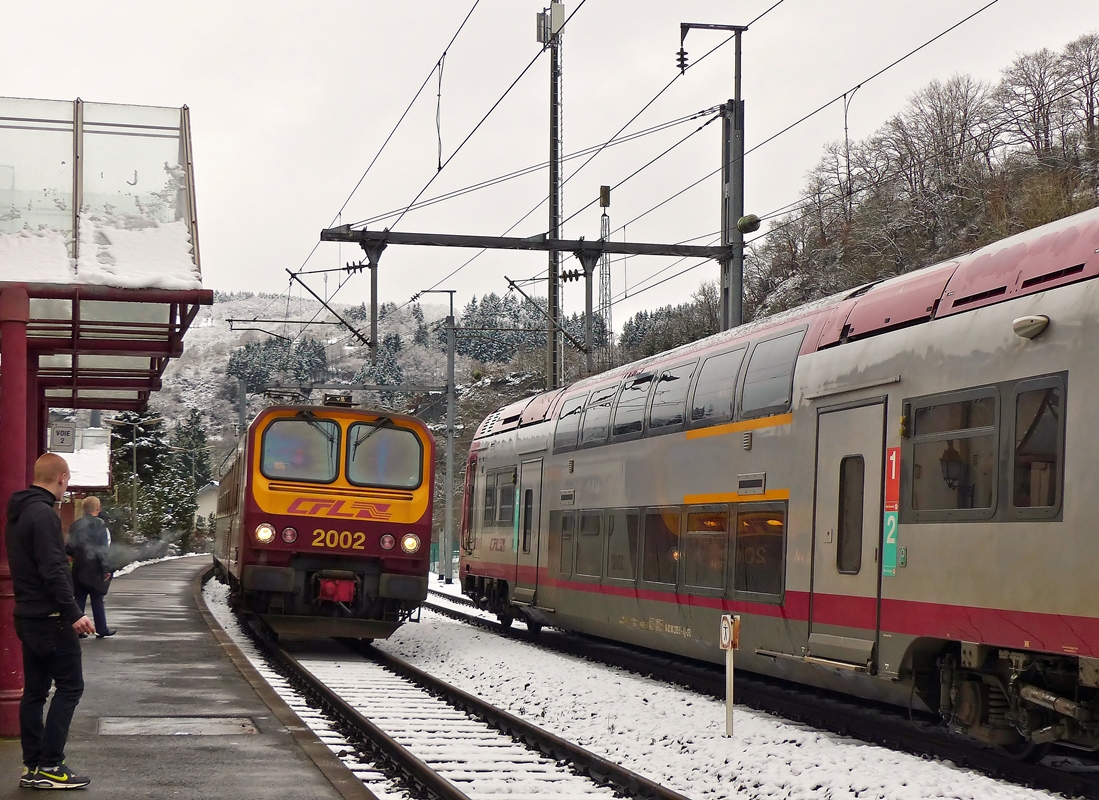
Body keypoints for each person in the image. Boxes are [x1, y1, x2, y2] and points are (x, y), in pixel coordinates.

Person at [7, 453, 94, 790]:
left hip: (26, 615)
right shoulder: (44, 515)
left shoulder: (18, 512)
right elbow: (52, 570)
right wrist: (73, 613)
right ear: (61, 478)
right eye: (67, 481)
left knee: (36, 691)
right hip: (51, 617)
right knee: (71, 686)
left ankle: (33, 766)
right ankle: (51, 765)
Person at [67, 496, 115, 639]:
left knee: (79, 598)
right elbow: (102, 549)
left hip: (79, 566)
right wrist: (106, 568)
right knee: (97, 599)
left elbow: (69, 547)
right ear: (98, 508)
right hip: (95, 568)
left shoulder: (75, 525)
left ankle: (79, 630)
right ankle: (101, 628)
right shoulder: (100, 525)